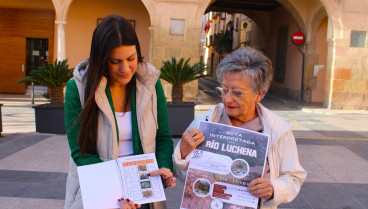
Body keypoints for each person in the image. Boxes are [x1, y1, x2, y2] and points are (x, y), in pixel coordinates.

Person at [64, 15, 175, 209]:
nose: (125, 68)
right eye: (115, 61)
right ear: (101, 59)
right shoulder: (78, 88)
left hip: (144, 193)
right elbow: (80, 151)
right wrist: (116, 191)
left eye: (131, 59)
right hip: (99, 192)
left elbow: (163, 137)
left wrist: (164, 166)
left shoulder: (150, 83)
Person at [173, 47, 307, 208]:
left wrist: (273, 189)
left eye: (237, 93)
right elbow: (183, 176)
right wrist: (183, 153)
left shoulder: (278, 130)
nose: (227, 99)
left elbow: (294, 178)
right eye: (224, 90)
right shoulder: (205, 123)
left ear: (259, 93)